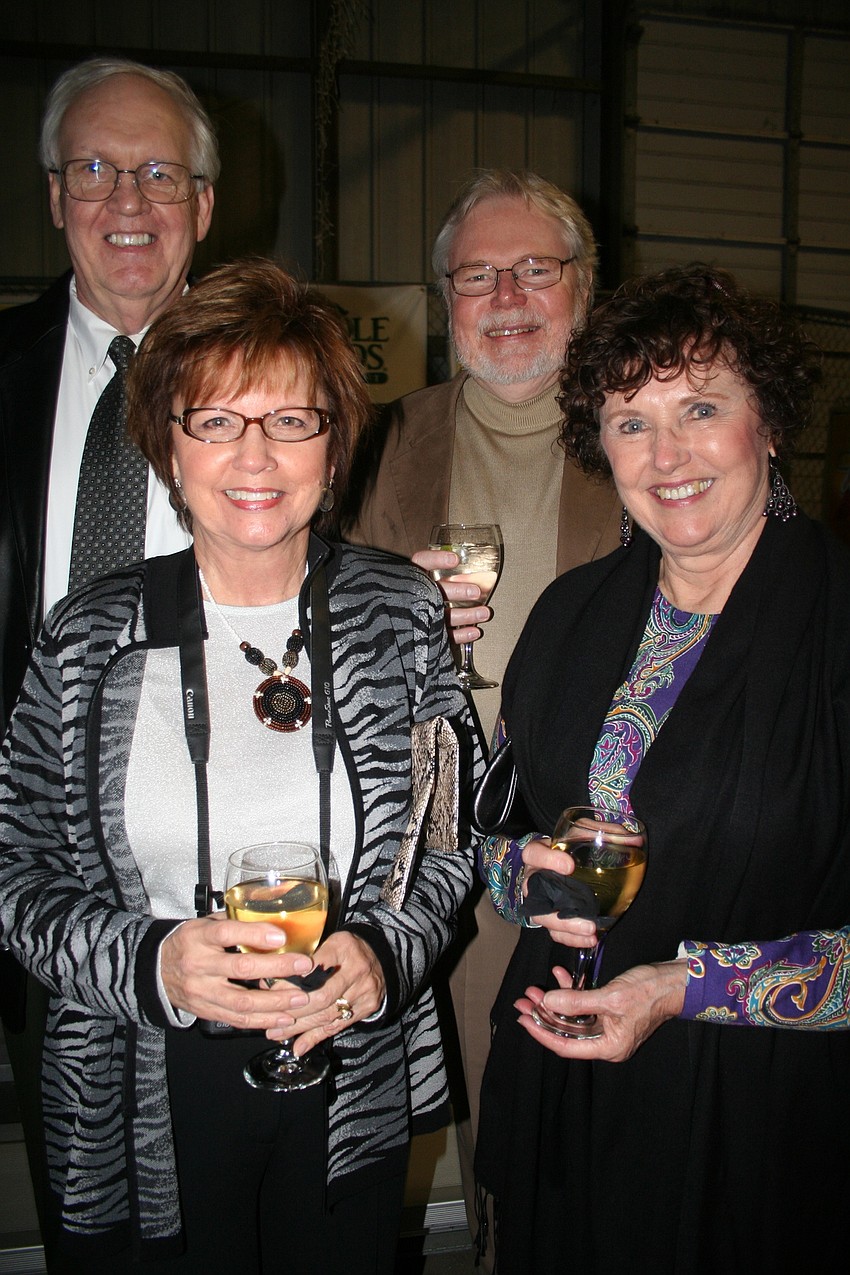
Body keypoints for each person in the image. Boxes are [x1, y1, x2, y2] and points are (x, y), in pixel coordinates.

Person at [0, 259, 481, 1274]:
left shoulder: (401, 616)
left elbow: (449, 837)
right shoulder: (89, 637)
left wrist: (386, 951)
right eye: (214, 420)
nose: (253, 455)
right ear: (167, 448)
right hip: (143, 1073)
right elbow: (14, 870)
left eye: (292, 420)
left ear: (336, 443)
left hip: (348, 1055)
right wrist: (149, 959)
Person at [473, 262, 850, 1273]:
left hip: (763, 1123)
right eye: (630, 421)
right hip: (568, 1091)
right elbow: (497, 831)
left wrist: (682, 988)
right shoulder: (566, 615)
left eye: (698, 407)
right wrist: (525, 879)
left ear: (765, 422)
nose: (666, 453)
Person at [346, 169, 620, 1236]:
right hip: (436, 830)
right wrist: (389, 611)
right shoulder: (381, 439)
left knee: (596, 1127)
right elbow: (312, 626)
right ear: (445, 299)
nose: (505, 295)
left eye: (533, 270)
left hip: (599, 833)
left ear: (583, 288)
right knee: (487, 1120)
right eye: (474, 275)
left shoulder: (643, 431)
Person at [0, 54, 218, 1242]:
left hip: (233, 866)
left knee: (230, 1198)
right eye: (94, 168)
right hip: (27, 866)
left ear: (203, 206)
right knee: (87, 1202)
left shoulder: (283, 382)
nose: (126, 201)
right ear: (52, 196)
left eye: (156, 172)